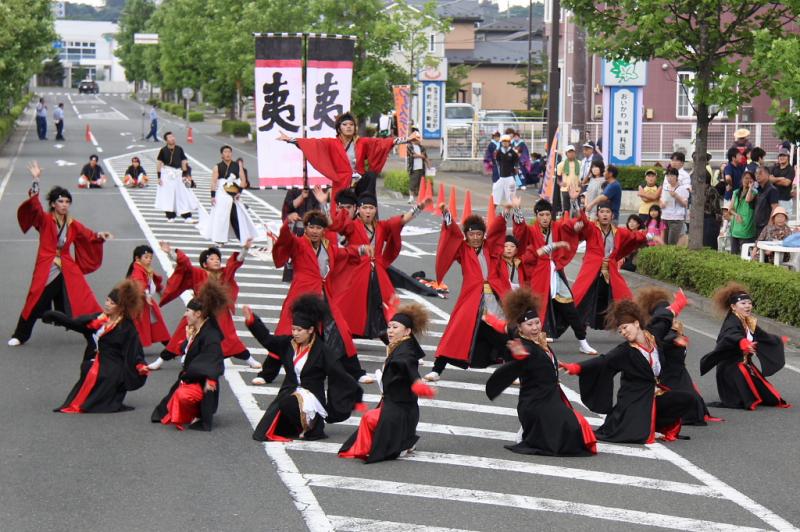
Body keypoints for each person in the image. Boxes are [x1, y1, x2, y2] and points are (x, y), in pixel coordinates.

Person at [560, 299, 696, 443]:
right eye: (620, 331)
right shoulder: (624, 351)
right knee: (636, 434)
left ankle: (657, 424)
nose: (623, 333)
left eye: (625, 327)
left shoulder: (653, 335)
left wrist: (679, 303)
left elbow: (664, 317)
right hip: (634, 399)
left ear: (636, 323)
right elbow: (603, 361)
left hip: (654, 393)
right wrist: (576, 367)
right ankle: (642, 423)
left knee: (688, 399)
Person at [484, 288, 597, 456]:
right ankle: (530, 430)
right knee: (572, 429)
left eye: (537, 322)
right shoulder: (526, 346)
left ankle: (530, 430)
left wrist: (492, 320)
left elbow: (508, 328)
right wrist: (519, 356)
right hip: (536, 402)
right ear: (520, 327)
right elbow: (524, 355)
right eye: (529, 325)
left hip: (550, 397)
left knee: (579, 427)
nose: (535, 327)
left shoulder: (530, 337)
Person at [9, 162, 111, 347]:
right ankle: (20, 335)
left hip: (66, 265)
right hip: (47, 264)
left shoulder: (72, 223)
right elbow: (34, 207)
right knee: (35, 299)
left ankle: (98, 329)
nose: (64, 205)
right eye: (60, 201)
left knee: (82, 298)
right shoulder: (45, 220)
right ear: (53, 204)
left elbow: (87, 235)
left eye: (67, 202)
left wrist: (99, 235)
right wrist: (36, 179)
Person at [270, 210, 373, 383]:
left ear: (324, 230)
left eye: (319, 228)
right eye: (311, 227)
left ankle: (356, 372)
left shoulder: (328, 248)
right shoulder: (298, 244)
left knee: (340, 331)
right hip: (302, 295)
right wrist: (287, 224)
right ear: (305, 228)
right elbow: (285, 241)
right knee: (288, 331)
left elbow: (345, 253)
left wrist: (361, 249)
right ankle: (267, 372)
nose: (315, 231)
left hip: (324, 296)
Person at [246, 294, 364, 442]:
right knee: (268, 425)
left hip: (312, 396)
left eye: (299, 330)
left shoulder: (322, 351)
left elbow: (338, 374)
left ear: (310, 330)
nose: (295, 333)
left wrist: (355, 395)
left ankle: (312, 426)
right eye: (293, 329)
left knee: (289, 402)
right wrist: (253, 322)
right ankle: (297, 427)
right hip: (289, 392)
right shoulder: (288, 344)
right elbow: (268, 341)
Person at [339, 303, 436, 462]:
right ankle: (403, 441)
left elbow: (408, 365)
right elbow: (383, 334)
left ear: (407, 331)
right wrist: (392, 317)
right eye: (389, 327)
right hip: (393, 403)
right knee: (371, 420)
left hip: (401, 408)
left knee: (369, 418)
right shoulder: (399, 343)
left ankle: (400, 442)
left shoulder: (405, 353)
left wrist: (418, 382)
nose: (390, 331)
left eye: (395, 328)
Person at [423, 208, 512, 381]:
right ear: (466, 235)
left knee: (502, 337)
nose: (476, 238)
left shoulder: (490, 247)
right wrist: (448, 218)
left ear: (484, 235)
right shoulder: (463, 249)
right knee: (455, 333)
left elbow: (497, 231)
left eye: (479, 234)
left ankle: (513, 371)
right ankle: (436, 370)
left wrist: (505, 213)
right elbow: (453, 237)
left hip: (493, 300)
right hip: (471, 299)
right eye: (472, 234)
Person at [332, 193, 433, 344]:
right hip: (357, 274)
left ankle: (395, 338)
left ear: (375, 210)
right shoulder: (352, 226)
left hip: (378, 273)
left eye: (371, 208)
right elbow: (337, 225)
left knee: (387, 305)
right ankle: (342, 333)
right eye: (365, 208)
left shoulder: (382, 226)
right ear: (358, 209)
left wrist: (419, 207)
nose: (368, 211)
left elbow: (400, 221)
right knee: (350, 305)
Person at [148, 241, 261, 370]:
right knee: (182, 334)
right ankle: (160, 360)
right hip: (199, 310)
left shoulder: (224, 274)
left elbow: (236, 262)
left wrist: (245, 249)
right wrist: (170, 252)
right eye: (212, 259)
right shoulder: (198, 273)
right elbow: (185, 265)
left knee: (229, 336)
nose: (216, 261)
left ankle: (249, 360)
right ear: (204, 264)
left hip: (220, 310)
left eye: (218, 259)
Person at [43, 279, 149, 414]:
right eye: (107, 300)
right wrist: (55, 316)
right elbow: (76, 323)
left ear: (121, 307)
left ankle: (100, 400)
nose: (107, 304)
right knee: (88, 367)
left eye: (112, 303)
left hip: (113, 363)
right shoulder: (98, 318)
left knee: (104, 374)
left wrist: (140, 365)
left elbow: (135, 350)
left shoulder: (127, 327)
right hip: (95, 358)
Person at [511, 198, 597, 355]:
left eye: (547, 215)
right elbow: (519, 232)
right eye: (541, 215)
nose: (545, 218)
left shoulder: (557, 227)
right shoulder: (531, 230)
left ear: (551, 215)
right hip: (538, 275)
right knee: (533, 311)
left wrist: (574, 203)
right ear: (536, 216)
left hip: (555, 273)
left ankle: (583, 342)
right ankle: (527, 345)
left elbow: (572, 225)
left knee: (570, 309)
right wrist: (517, 209)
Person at [278, 112, 411, 204]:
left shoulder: (362, 142)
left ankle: (367, 207)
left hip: (360, 183)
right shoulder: (331, 143)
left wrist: (407, 139)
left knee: (370, 178)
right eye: (345, 125)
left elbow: (383, 143)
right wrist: (290, 139)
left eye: (351, 125)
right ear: (339, 128)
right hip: (341, 181)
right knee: (340, 215)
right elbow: (313, 144)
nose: (348, 127)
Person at [152, 281, 228, 431]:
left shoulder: (210, 335)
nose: (185, 314)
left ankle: (197, 414)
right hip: (191, 376)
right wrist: (187, 341)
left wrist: (210, 379)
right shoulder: (198, 329)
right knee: (165, 407)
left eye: (187, 311)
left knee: (183, 396)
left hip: (202, 380)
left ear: (198, 314)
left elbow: (213, 360)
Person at [700, 282, 790, 410]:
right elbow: (731, 335)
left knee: (772, 398)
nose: (747, 306)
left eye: (749, 303)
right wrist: (742, 342)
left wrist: (778, 340)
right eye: (743, 303)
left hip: (746, 364)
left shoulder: (748, 321)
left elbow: (762, 335)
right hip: (731, 367)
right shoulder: (731, 322)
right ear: (733, 307)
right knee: (746, 401)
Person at [636, 288, 719, 426]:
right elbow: (661, 339)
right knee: (687, 407)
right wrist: (673, 340)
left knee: (694, 405)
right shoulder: (659, 330)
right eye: (669, 313)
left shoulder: (674, 326)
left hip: (679, 373)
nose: (672, 316)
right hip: (669, 376)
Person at [568, 203, 655, 330]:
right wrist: (576, 204)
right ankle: (557, 329)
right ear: (597, 215)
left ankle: (640, 326)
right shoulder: (592, 228)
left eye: (607, 212)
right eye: (602, 212)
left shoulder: (618, 232)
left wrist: (648, 235)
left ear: (612, 215)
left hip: (609, 271)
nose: (605, 215)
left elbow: (633, 236)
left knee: (623, 298)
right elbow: (584, 223)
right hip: (591, 271)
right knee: (581, 299)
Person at [200, 145, 258, 244]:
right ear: (222, 154)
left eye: (229, 152)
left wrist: (239, 192)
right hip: (221, 193)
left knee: (236, 217)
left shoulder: (237, 166)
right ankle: (219, 239)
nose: (228, 154)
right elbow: (213, 182)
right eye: (225, 152)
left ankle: (243, 239)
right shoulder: (217, 167)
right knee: (221, 216)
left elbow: (243, 180)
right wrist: (213, 196)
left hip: (233, 193)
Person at [126, 245, 170, 348]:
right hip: (139, 302)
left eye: (150, 257)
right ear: (137, 258)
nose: (149, 260)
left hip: (146, 301)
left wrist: (160, 292)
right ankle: (136, 345)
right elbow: (140, 283)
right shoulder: (137, 270)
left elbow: (154, 282)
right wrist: (146, 294)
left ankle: (166, 341)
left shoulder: (146, 269)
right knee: (142, 324)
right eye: (146, 257)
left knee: (154, 322)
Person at [155, 131, 198, 223]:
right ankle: (170, 216)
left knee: (182, 195)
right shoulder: (163, 150)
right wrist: (159, 177)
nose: (172, 138)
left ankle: (187, 216)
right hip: (167, 174)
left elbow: (184, 161)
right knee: (168, 196)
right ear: (166, 140)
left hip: (178, 174)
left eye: (173, 137)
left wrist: (185, 175)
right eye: (170, 137)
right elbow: (159, 163)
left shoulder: (179, 149)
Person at [727, 170, 757, 256]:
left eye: (750, 179)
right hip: (735, 228)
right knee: (734, 255)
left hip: (747, 228)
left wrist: (750, 188)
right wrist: (736, 215)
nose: (747, 180)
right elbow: (730, 209)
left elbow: (748, 199)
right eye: (745, 178)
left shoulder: (754, 192)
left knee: (745, 255)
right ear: (742, 179)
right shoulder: (736, 192)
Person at [659, 168, 690, 245]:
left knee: (672, 242)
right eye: (667, 175)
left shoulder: (682, 189)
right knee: (665, 242)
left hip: (676, 219)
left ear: (677, 176)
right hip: (665, 217)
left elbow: (685, 204)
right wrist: (661, 204)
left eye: (672, 176)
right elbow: (661, 200)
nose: (669, 178)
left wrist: (676, 196)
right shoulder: (665, 188)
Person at [753, 165, 780, 238]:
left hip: (765, 226)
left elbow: (775, 208)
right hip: (757, 225)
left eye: (760, 173)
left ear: (767, 175)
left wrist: (769, 226)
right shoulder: (758, 189)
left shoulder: (772, 190)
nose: (757, 175)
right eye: (756, 173)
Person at [493, 134, 519, 205]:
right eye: (503, 141)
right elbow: (497, 161)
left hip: (510, 177)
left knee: (510, 196)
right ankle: (493, 208)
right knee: (495, 192)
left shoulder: (513, 152)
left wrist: (516, 168)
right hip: (501, 177)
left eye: (507, 141)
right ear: (501, 142)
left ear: (509, 142)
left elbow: (517, 162)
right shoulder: (498, 152)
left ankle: (511, 210)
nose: (505, 143)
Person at [556, 145, 581, 216]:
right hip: (565, 190)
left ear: (575, 153)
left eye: (572, 152)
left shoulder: (580, 163)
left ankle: (576, 221)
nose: (571, 154)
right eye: (569, 152)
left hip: (576, 190)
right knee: (566, 209)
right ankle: (566, 221)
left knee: (577, 209)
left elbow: (582, 176)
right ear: (566, 154)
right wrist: (560, 183)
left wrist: (581, 183)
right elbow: (558, 178)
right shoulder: (561, 165)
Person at [406, 129, 429, 203]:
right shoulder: (409, 146)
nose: (419, 141)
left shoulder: (422, 147)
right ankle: (411, 197)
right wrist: (421, 156)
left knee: (421, 183)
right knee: (413, 183)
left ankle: (420, 197)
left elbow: (425, 156)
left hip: (421, 168)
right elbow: (413, 155)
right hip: (413, 168)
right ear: (414, 139)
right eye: (418, 139)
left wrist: (429, 165)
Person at [771, 148, 795, 216]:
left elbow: (786, 183)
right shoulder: (775, 167)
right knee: (774, 219)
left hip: (785, 200)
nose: (782, 157)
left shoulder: (790, 169)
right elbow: (769, 179)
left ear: (788, 157)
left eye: (784, 155)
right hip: (774, 199)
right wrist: (780, 178)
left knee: (785, 220)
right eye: (780, 156)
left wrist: (774, 180)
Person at [702, 173, 723, 249]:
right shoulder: (702, 190)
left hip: (711, 219)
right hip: (704, 219)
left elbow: (716, 208)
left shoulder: (711, 191)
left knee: (709, 243)